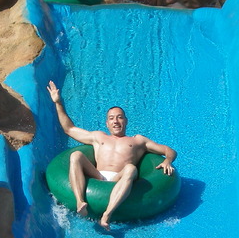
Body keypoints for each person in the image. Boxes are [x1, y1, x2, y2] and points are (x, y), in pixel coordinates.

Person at [47, 81, 177, 230]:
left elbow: (169, 150)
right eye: (111, 118)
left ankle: (106, 215)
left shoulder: (138, 141)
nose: (115, 121)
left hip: (119, 178)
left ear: (126, 121)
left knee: (130, 168)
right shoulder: (98, 137)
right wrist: (58, 103)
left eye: (120, 117)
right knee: (76, 155)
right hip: (97, 176)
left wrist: (168, 160)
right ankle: (80, 201)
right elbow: (69, 129)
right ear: (107, 123)